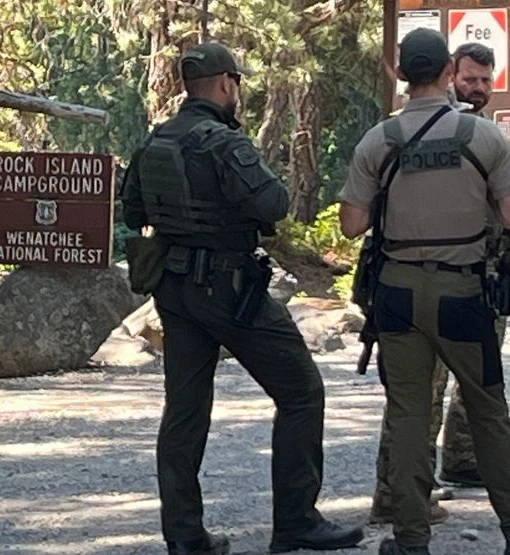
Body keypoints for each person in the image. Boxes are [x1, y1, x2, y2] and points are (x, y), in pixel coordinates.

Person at [119, 42, 364, 555]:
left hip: (174, 290)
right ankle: (295, 523)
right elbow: (274, 203)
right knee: (301, 391)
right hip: (228, 288)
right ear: (226, 83)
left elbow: (133, 210)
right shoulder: (224, 143)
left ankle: (185, 537)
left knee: (185, 411)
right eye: (237, 83)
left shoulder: (156, 141)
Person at [338, 28, 510, 554]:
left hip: (397, 295)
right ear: (447, 72)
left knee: (408, 414)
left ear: (400, 74)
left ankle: (410, 539)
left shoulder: (379, 140)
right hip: (465, 294)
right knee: (489, 411)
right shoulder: (486, 138)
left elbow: (351, 224)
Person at [438, 42, 503, 488]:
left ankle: (462, 458)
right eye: (469, 79)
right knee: (428, 384)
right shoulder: (435, 127)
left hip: (487, 271)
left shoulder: (487, 131)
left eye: (485, 80)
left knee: (481, 373)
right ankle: (407, 486)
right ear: (451, 77)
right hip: (441, 269)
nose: (478, 88)